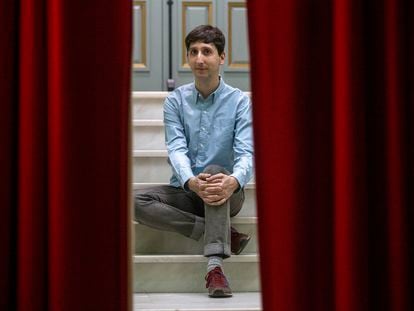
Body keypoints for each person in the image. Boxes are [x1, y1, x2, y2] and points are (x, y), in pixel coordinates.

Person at [134, 25, 254, 298]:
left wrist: (233, 180)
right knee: (134, 202)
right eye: (194, 52)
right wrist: (190, 181)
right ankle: (226, 235)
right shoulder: (175, 101)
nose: (199, 58)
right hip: (187, 190)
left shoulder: (239, 102)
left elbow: (246, 153)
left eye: (207, 52)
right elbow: (176, 149)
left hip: (228, 190)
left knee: (213, 172)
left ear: (221, 57)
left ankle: (215, 268)